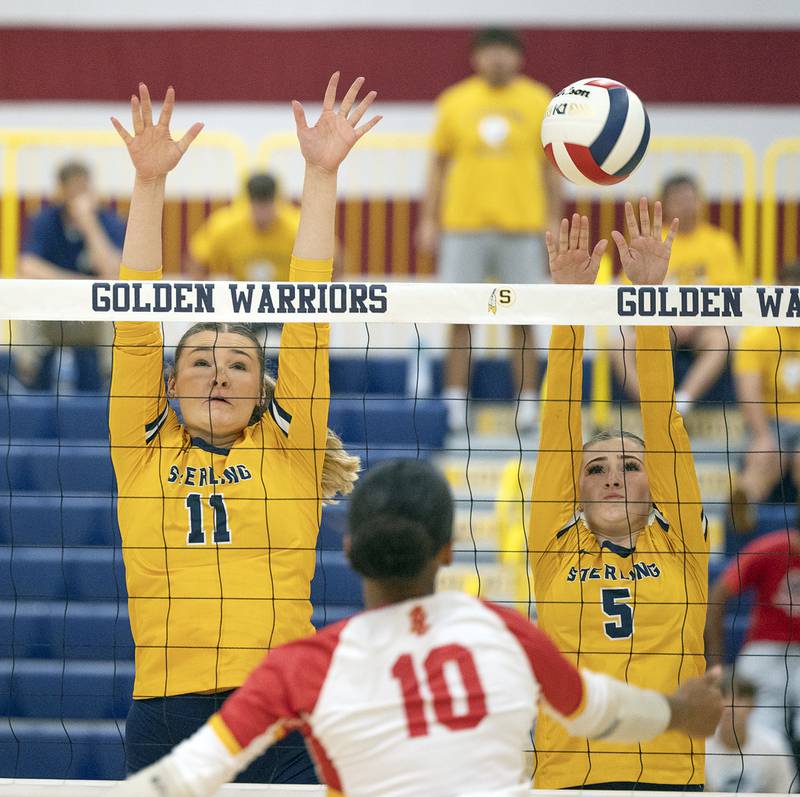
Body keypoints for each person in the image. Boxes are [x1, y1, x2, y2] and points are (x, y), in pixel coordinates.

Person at [113, 457, 723, 797]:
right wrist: (676, 710)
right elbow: (596, 711)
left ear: (348, 550)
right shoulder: (504, 633)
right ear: (449, 551)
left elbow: (184, 778)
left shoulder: (302, 666)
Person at [108, 75, 370, 781]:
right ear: (169, 384)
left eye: (236, 364)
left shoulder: (289, 453)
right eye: (198, 361)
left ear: (265, 392)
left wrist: (320, 175)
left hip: (279, 704)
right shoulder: (142, 449)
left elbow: (309, 319)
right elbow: (136, 323)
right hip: (166, 704)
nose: (217, 375)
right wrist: (148, 184)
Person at [531, 202, 711, 789]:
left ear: (654, 480)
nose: (611, 477)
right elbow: (559, 423)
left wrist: (649, 300)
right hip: (571, 774)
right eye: (597, 468)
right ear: (576, 490)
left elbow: (663, 422)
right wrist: (572, 307)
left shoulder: (679, 540)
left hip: (669, 775)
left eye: (630, 466)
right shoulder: (555, 546)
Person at [415, 27, 561, 432]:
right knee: (459, 316)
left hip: (522, 227)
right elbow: (438, 165)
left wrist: (553, 218)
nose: (497, 59)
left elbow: (553, 167)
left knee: (524, 317)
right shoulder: (455, 101)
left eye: (505, 52)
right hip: (463, 226)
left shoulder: (539, 100)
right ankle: (455, 402)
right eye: (489, 52)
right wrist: (429, 219)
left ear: (518, 58)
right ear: (477, 58)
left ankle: (528, 403)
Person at [611, 174, 744, 414]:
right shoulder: (651, 241)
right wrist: (669, 320)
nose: (685, 204)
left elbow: (728, 296)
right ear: (664, 203)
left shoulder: (719, 243)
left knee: (721, 341)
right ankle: (649, 406)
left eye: (690, 198)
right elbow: (631, 293)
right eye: (678, 199)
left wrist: (693, 320)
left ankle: (682, 402)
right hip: (660, 323)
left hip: (704, 326)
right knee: (618, 345)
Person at [13, 160, 126, 390]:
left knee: (116, 316)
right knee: (25, 309)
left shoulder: (108, 222)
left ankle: (112, 383)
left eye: (83, 189)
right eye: (72, 189)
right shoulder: (45, 220)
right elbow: (27, 266)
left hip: (93, 315)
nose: (78, 196)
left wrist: (88, 223)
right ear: (61, 191)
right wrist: (79, 285)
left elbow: (113, 273)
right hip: (54, 312)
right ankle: (26, 383)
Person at [706, 528, 800, 746]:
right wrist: (717, 665)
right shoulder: (771, 548)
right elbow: (717, 596)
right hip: (764, 649)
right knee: (761, 731)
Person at [730, 261, 800, 534]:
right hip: (772, 420)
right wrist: (761, 435)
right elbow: (748, 392)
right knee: (765, 456)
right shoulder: (758, 334)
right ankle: (743, 502)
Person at [187, 173, 300, 282]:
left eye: (266, 205)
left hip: (287, 297)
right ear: (247, 202)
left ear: (278, 202)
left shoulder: (296, 228)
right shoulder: (226, 226)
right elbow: (197, 258)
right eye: (257, 205)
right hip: (244, 297)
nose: (262, 212)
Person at [705, 675, 796, 794]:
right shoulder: (700, 746)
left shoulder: (773, 745)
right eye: (722, 697)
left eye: (739, 698)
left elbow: (786, 792)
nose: (729, 707)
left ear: (752, 705)